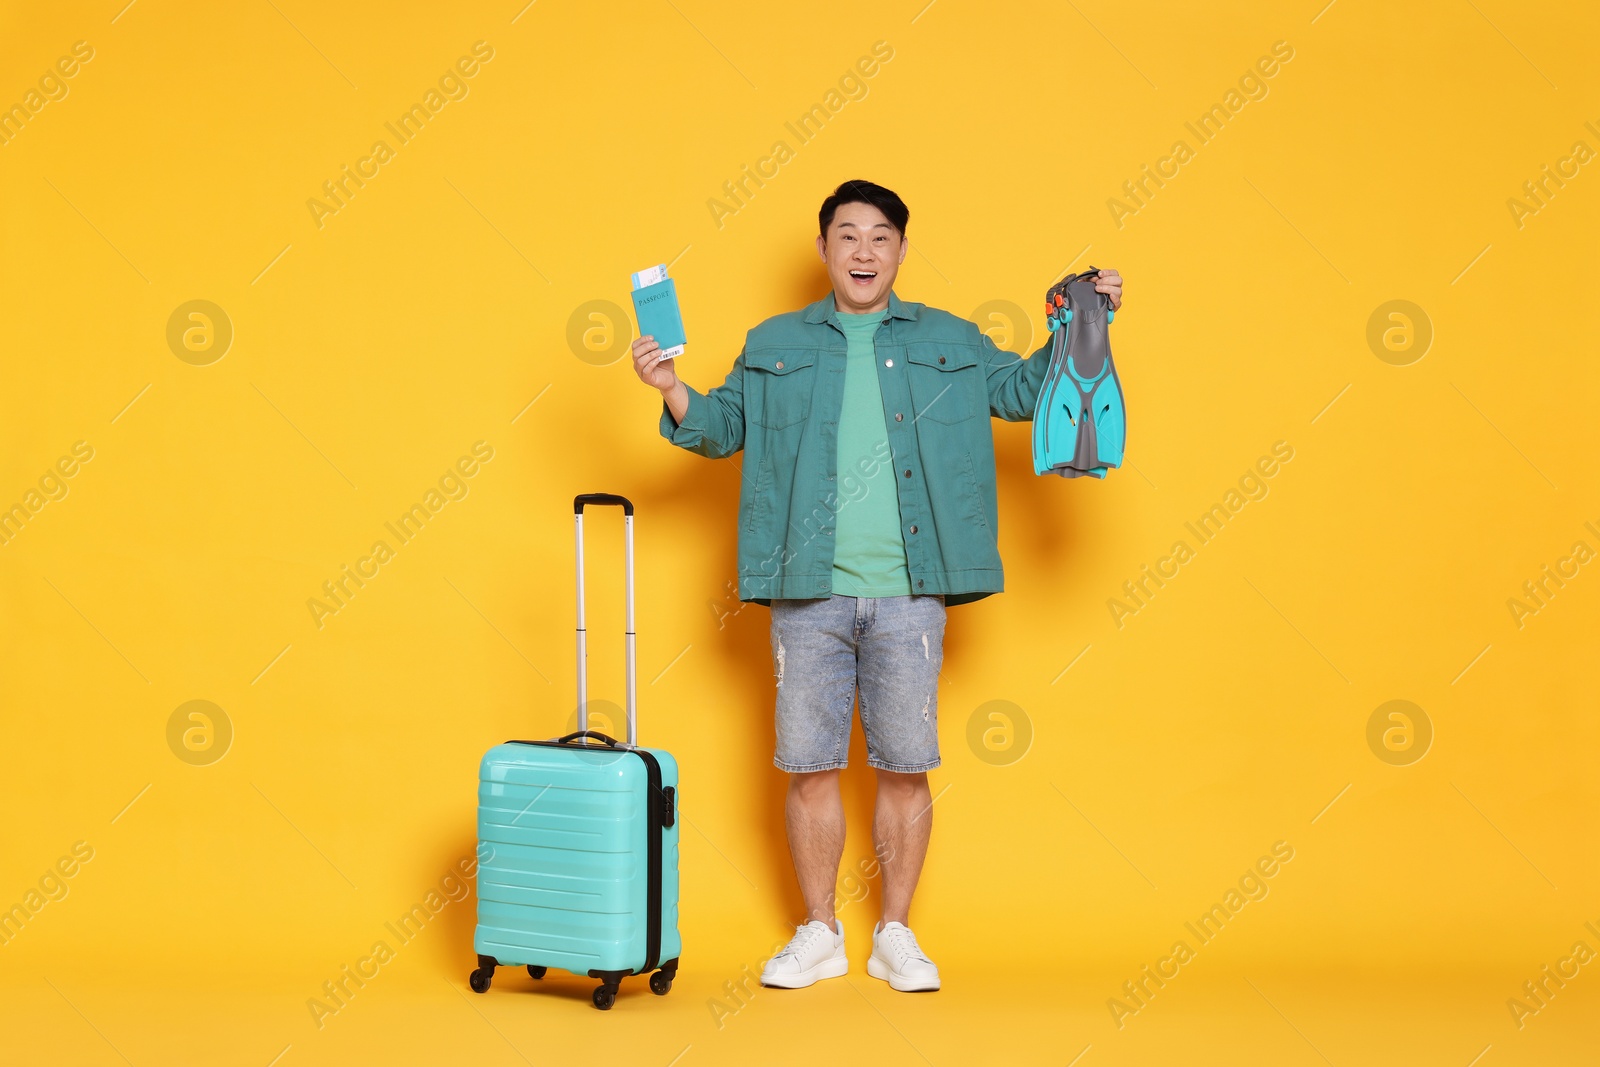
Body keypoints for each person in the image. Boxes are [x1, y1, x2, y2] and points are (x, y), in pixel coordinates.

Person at [633, 179, 1123, 993]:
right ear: (824, 248)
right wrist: (669, 388)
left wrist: (1084, 319)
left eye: (881, 237)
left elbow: (1018, 389)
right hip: (806, 588)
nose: (864, 251)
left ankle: (895, 931)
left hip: (911, 591)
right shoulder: (774, 340)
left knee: (904, 763)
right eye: (848, 236)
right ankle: (820, 930)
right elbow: (721, 428)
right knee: (809, 763)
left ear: (900, 249)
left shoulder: (949, 338)